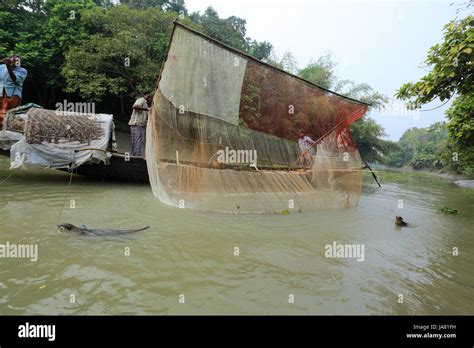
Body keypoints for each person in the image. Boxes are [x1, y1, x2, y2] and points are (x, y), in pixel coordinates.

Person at [0, 55, 27, 128]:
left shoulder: (22, 71)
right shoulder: (2, 67)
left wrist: (8, 66)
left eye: (17, 61)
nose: (15, 62)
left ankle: (9, 128)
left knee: (10, 113)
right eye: (13, 60)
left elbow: (14, 79)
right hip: (1, 93)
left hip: (14, 95)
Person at [128, 92, 151, 157]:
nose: (149, 97)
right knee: (139, 139)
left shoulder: (144, 102)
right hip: (138, 124)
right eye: (148, 95)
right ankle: (137, 155)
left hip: (136, 123)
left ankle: (133, 155)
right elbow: (135, 107)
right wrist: (146, 109)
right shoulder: (141, 100)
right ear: (145, 95)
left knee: (135, 140)